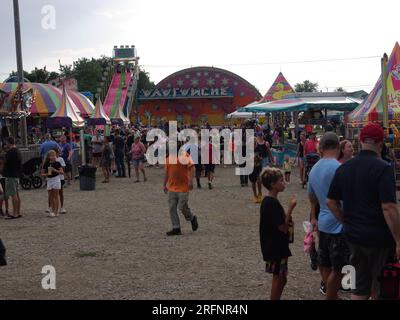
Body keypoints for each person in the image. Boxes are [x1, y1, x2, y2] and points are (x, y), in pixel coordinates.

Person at [327, 124, 400, 300]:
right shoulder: (383, 168)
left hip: (353, 236)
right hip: (379, 238)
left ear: (359, 142)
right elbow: (388, 207)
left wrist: (345, 220)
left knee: (359, 288)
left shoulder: (343, 168)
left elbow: (330, 202)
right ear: (381, 144)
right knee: (381, 287)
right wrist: (399, 240)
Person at [308, 132, 347, 300]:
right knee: (338, 268)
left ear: (321, 148)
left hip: (323, 222)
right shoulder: (339, 168)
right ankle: (331, 296)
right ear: (338, 147)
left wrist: (313, 217)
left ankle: (331, 295)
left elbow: (312, 197)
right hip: (338, 222)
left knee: (324, 263)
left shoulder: (314, 168)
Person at [259, 167, 296, 300]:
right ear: (273, 185)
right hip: (276, 247)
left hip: (274, 245)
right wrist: (290, 209)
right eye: (281, 180)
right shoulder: (271, 203)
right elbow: (283, 228)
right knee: (279, 278)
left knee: (282, 278)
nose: (284, 182)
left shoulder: (268, 201)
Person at [163, 143, 199, 236]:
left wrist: (191, 181)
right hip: (172, 187)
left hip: (183, 187)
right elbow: (167, 173)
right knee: (172, 208)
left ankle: (191, 218)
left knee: (182, 207)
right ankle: (176, 228)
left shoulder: (185, 156)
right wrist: (164, 184)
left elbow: (192, 168)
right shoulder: (168, 158)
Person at [3, 137, 22, 220]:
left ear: (8, 143)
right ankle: (17, 212)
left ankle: (14, 213)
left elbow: (5, 162)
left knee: (13, 194)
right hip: (16, 174)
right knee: (17, 194)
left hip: (10, 175)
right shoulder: (18, 151)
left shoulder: (10, 152)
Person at [41, 150, 63, 218]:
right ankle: (52, 211)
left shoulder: (58, 163)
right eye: (52, 155)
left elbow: (62, 172)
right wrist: (46, 174)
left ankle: (56, 212)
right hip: (49, 180)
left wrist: (54, 170)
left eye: (54, 155)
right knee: (51, 197)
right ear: (49, 156)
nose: (53, 157)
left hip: (56, 179)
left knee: (56, 197)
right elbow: (42, 173)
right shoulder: (46, 163)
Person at [55, 148, 67, 214]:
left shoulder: (60, 159)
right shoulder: (50, 160)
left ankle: (62, 207)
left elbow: (63, 168)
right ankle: (53, 207)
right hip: (53, 178)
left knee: (60, 193)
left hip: (60, 178)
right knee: (54, 194)